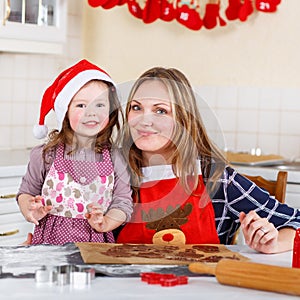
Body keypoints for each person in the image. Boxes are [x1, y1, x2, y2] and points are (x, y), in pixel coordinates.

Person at [116, 66, 300, 254]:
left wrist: (273, 243)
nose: (144, 121)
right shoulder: (112, 175)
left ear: (184, 119)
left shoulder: (217, 179)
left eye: (161, 111)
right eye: (136, 108)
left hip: (199, 282)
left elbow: (296, 223)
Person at [17, 59, 132, 245]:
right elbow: (25, 193)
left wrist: (106, 222)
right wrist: (30, 209)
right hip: (49, 245)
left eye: (99, 105)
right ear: (65, 111)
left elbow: (123, 203)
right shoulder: (45, 155)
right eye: (81, 105)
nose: (91, 113)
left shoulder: (115, 158)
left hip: (97, 247)